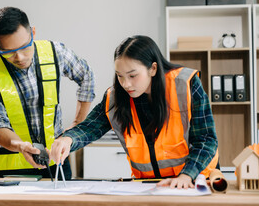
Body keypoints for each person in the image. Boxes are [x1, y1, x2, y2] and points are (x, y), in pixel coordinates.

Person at [50, 35, 219, 188]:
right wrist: (68, 140)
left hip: (195, 181)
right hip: (148, 186)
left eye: (132, 75)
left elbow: (206, 139)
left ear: (153, 69)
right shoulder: (115, 97)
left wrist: (186, 175)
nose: (126, 84)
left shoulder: (186, 85)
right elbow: (89, 128)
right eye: (119, 75)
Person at [0, 7, 95, 179]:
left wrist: (77, 124)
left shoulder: (56, 53)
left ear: (32, 32)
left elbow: (87, 76)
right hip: (13, 168)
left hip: (57, 161)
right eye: (8, 52)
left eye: (24, 47)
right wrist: (21, 146)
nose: (19, 57)